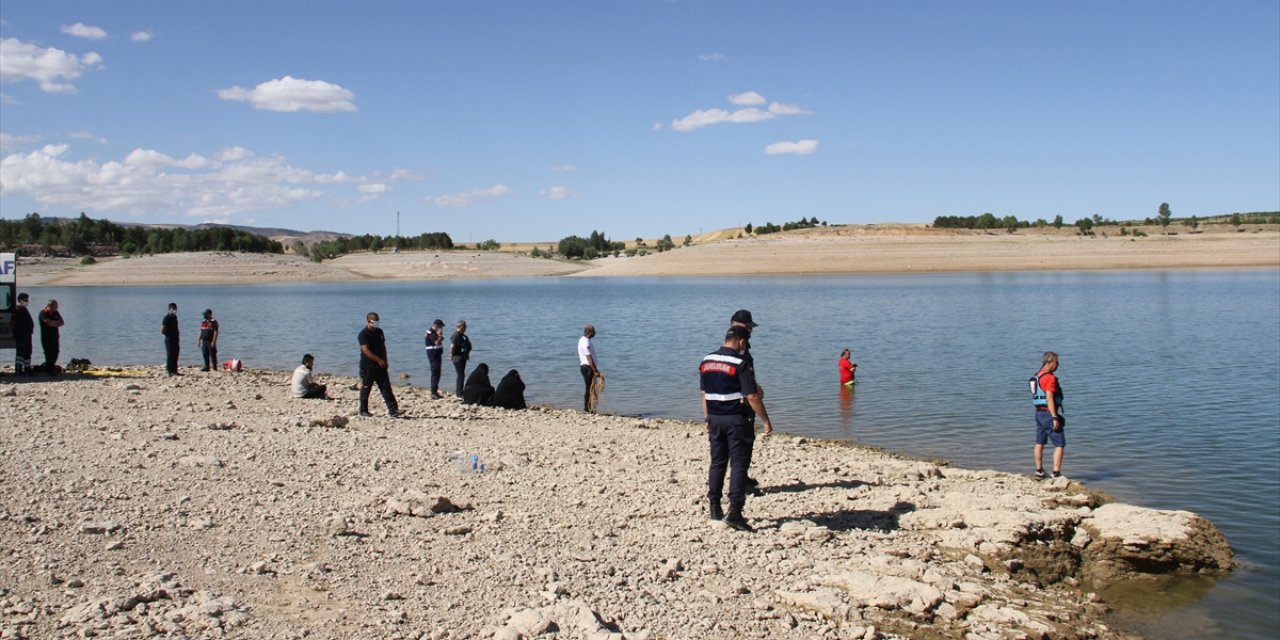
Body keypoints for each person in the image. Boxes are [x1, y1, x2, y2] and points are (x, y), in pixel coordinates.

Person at [701, 325, 773, 532]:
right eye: (745, 344)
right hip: (736, 419)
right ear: (741, 342)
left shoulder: (707, 361)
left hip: (714, 418)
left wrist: (707, 417)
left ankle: (714, 509)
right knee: (739, 465)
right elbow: (752, 396)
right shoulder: (740, 362)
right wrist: (766, 420)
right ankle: (734, 511)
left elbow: (704, 393)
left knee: (717, 463)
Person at [730, 309, 764, 493]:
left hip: (743, 397)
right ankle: (740, 483)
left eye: (751, 327)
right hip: (741, 402)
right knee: (743, 441)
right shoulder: (737, 346)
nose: (751, 331)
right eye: (748, 327)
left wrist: (753, 386)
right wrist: (752, 391)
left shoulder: (742, 345)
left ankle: (742, 477)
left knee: (746, 441)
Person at [1030, 351, 1066, 480]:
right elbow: (1049, 398)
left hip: (1038, 414)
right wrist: (1055, 417)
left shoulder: (1037, 376)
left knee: (1040, 442)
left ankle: (1039, 471)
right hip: (1048, 414)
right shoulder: (1049, 378)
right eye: (1057, 362)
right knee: (1060, 444)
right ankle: (1056, 474)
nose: (1058, 365)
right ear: (1049, 362)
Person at [358, 311, 401, 417]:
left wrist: (385, 361)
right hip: (368, 366)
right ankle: (363, 410)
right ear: (369, 321)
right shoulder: (363, 334)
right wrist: (378, 360)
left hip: (381, 366)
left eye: (378, 321)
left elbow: (383, 346)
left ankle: (393, 410)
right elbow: (365, 350)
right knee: (366, 387)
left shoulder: (379, 331)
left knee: (386, 387)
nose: (377, 323)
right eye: (375, 321)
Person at [578, 324, 601, 412]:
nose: (595, 333)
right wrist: (595, 370)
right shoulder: (585, 342)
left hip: (587, 367)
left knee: (591, 388)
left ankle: (590, 407)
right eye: (594, 331)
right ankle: (587, 408)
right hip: (588, 367)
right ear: (590, 332)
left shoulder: (584, 340)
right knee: (590, 388)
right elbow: (589, 357)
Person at [38, 299, 65, 375]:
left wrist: (54, 323)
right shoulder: (43, 313)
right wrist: (55, 323)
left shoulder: (56, 312)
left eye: (57, 306)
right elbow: (48, 323)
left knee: (56, 352)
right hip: (46, 337)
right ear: (50, 306)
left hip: (55, 336)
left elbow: (62, 322)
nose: (57, 308)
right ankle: (50, 370)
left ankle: (51, 367)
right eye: (55, 306)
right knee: (48, 353)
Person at [12, 292, 34, 375]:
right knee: (21, 352)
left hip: (27, 333)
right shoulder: (18, 309)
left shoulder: (23, 309)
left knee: (28, 351)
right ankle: (18, 369)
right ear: (20, 300)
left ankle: (27, 368)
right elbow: (13, 322)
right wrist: (15, 333)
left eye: (27, 299)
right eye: (25, 299)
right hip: (21, 334)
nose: (27, 301)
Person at [425, 319, 446, 399]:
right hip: (433, 356)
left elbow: (440, 341)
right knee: (435, 373)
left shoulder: (433, 333)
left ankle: (435, 391)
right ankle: (433, 392)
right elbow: (437, 342)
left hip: (437, 355)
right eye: (440, 327)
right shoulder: (431, 333)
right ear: (436, 326)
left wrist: (440, 336)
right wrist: (440, 336)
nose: (441, 328)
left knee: (437, 373)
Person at [450, 320, 472, 397]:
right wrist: (451, 354)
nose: (466, 328)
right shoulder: (456, 335)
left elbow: (469, 346)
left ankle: (460, 391)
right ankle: (459, 393)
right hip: (457, 358)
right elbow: (453, 346)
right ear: (460, 326)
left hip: (463, 357)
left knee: (462, 374)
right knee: (461, 375)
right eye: (465, 326)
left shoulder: (463, 336)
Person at [161, 302, 181, 376]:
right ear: (169, 309)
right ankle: (170, 371)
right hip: (169, 339)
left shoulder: (175, 317)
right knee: (170, 355)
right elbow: (162, 330)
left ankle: (174, 370)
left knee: (176, 354)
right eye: (173, 309)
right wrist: (169, 334)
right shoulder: (167, 318)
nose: (174, 310)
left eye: (175, 309)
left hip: (176, 339)